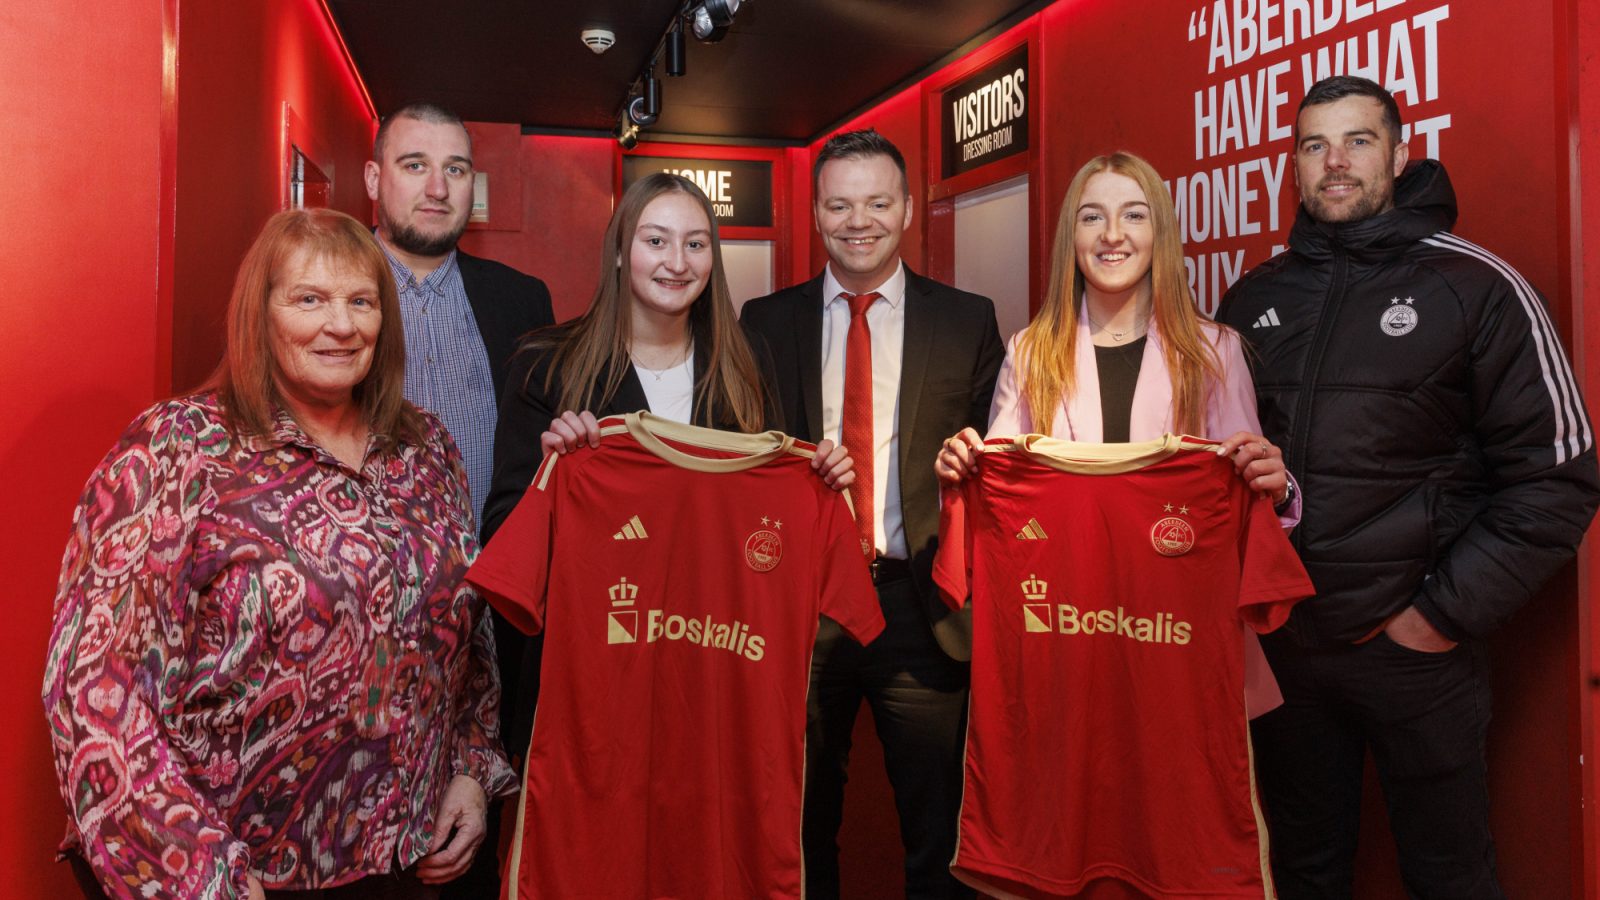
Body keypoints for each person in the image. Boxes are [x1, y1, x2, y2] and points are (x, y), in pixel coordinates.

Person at [42, 209, 516, 899]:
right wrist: (199, 874)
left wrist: (472, 773)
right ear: (259, 313)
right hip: (234, 871)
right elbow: (92, 685)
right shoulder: (178, 448)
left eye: (361, 301)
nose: (342, 325)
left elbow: (469, 633)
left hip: (401, 862)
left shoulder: (427, 450)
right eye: (310, 300)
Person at [1216, 75, 1600, 898]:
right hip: (1288, 651)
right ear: (1294, 165)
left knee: (1448, 876)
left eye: (1357, 141)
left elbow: (1559, 477)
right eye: (1314, 145)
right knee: (1302, 873)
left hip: (1416, 654)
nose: (1336, 163)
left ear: (1398, 151)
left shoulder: (1477, 287)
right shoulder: (1252, 301)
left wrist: (1437, 617)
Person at [740, 129, 1004, 900]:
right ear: (816, 213)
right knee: (797, 820)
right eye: (840, 204)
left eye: (878, 202)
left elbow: (996, 461)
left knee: (938, 828)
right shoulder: (764, 321)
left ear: (909, 210)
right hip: (800, 605)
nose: (859, 220)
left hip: (919, 605)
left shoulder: (968, 320)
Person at [366, 101, 553, 898]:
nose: (437, 187)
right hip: (366, 616)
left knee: (482, 823)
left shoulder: (522, 300)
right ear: (376, 179)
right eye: (415, 165)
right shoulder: (333, 287)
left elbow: (533, 455)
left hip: (492, 608)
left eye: (456, 169)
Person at [483, 171, 853, 541]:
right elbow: (503, 531)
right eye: (656, 241)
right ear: (618, 252)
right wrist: (553, 478)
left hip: (715, 595)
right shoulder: (545, 365)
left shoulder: (748, 359)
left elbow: (770, 507)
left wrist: (816, 481)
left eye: (695, 245)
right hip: (610, 597)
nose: (677, 263)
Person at [936, 150, 1291, 509]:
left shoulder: (1216, 350)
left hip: (1177, 564)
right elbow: (1000, 495)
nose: (1112, 234)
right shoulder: (1029, 352)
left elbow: (1246, 500)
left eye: (1134, 215)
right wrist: (962, 469)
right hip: (1063, 563)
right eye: (1092, 217)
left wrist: (1276, 491)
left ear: (1160, 233)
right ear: (1071, 238)